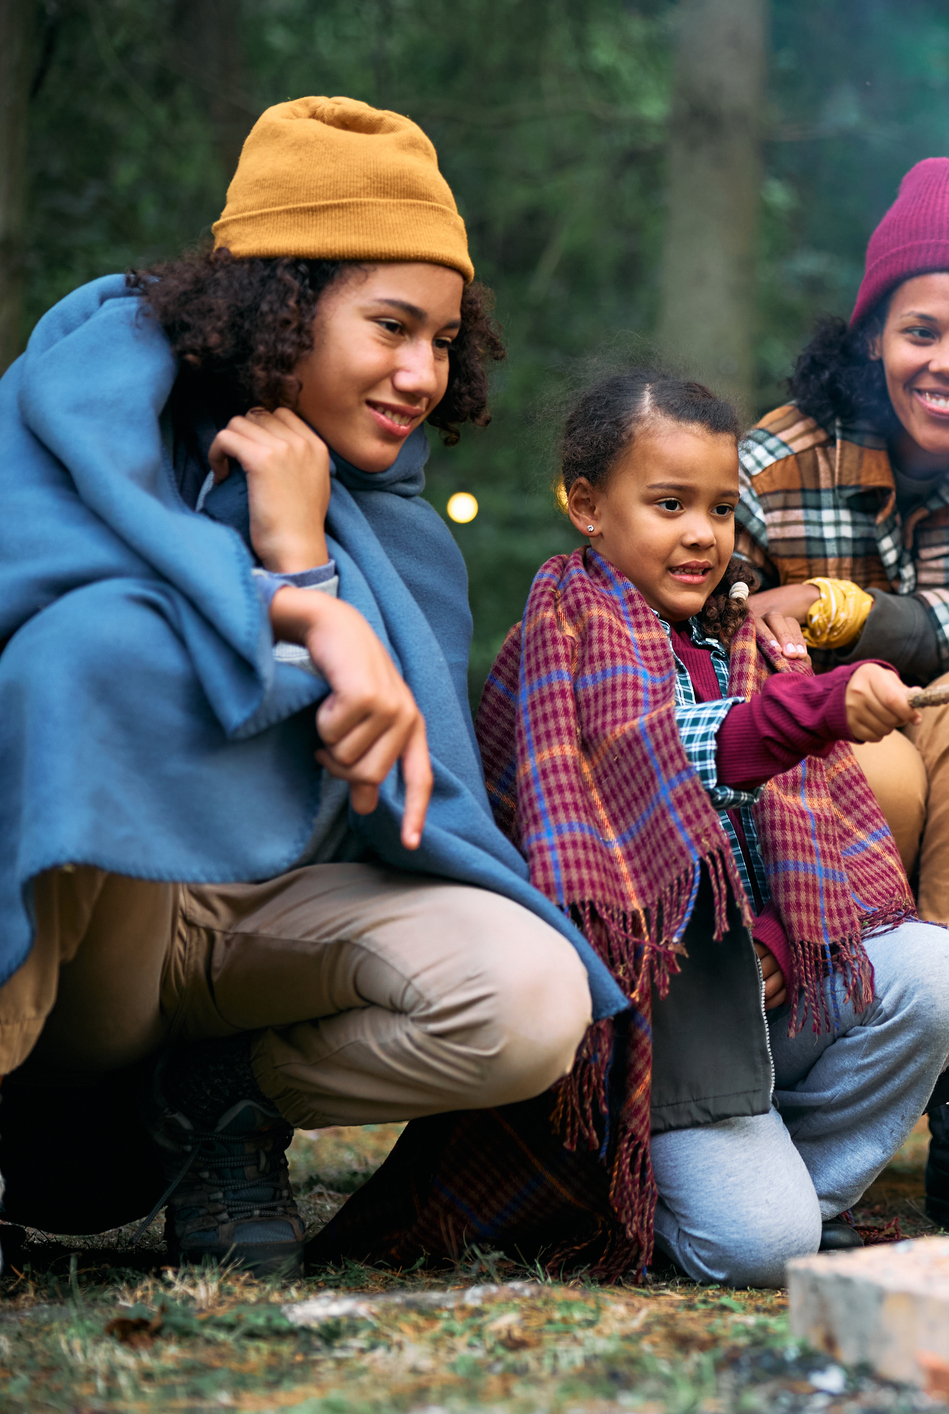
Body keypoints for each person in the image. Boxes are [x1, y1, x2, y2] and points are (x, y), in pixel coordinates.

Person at [0, 98, 618, 1276]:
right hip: (94, 917)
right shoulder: (87, 411)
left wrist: (305, 551)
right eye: (391, 326)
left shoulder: (398, 530)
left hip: (264, 930)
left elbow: (406, 807)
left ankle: (222, 1099)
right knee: (85, 665)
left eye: (443, 338)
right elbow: (48, 630)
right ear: (279, 303)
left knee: (531, 1001)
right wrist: (297, 608)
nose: (421, 373)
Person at [316, 369, 949, 1287]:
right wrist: (816, 707)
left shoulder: (746, 642)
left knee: (939, 974)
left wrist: (784, 934)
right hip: (652, 1027)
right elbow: (654, 756)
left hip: (760, 998)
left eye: (720, 508)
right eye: (669, 504)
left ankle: (781, 1187)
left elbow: (809, 836)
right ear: (588, 506)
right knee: (759, 1251)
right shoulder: (559, 636)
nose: (702, 535)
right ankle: (680, 1200)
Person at [735, 158, 949, 1232]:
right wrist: (815, 655)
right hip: (817, 790)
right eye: (921, 330)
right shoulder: (771, 462)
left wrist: (846, 612)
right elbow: (734, 658)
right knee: (892, 747)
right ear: (872, 334)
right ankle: (802, 1069)